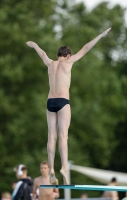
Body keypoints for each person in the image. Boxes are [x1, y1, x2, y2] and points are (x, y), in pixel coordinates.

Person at [26, 27, 111, 184]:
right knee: (63, 136)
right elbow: (85, 48)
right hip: (63, 102)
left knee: (51, 136)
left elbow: (43, 54)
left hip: (50, 102)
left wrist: (34, 45)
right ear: (68, 55)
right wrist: (100, 35)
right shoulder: (69, 62)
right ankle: (64, 167)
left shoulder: (51, 64)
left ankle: (51, 168)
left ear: (57, 55)